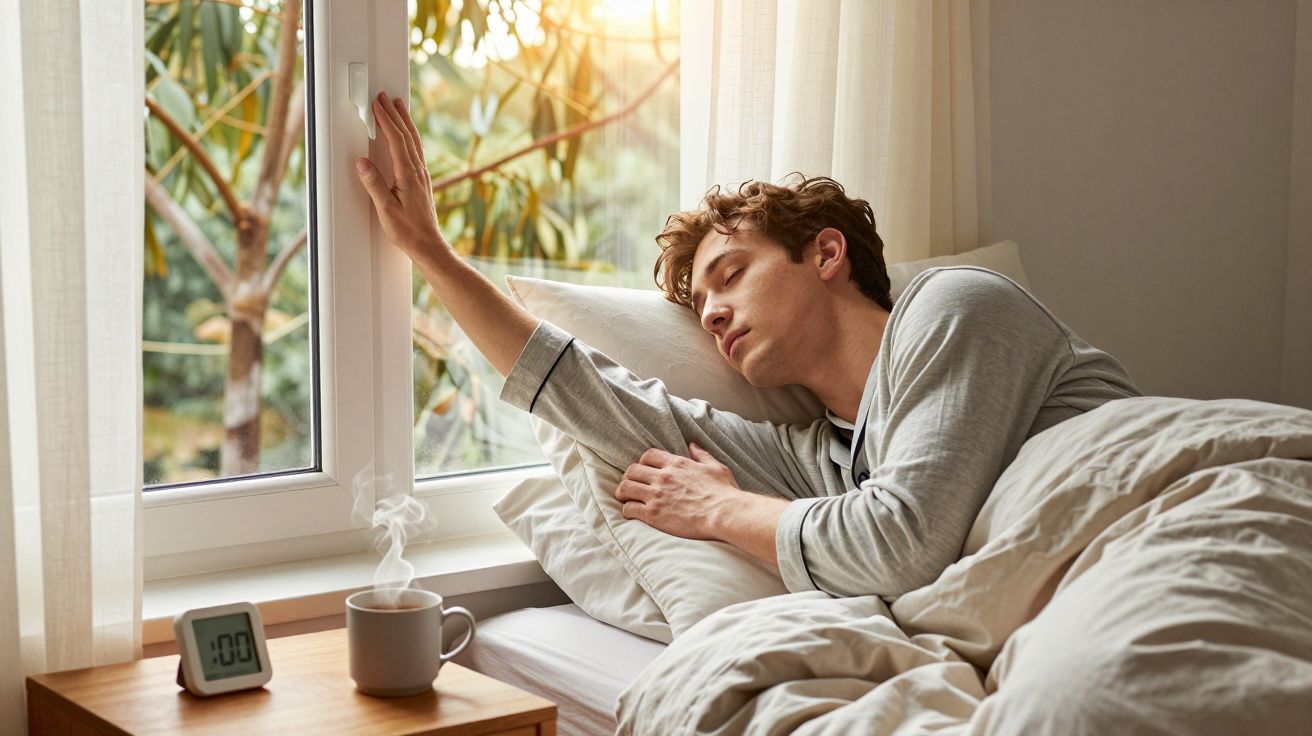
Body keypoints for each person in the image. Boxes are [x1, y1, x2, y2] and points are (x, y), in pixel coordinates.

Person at [354, 90, 1142, 599]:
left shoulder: (956, 308)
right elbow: (601, 402)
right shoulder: (821, 461)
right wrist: (430, 254)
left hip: (1167, 524)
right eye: (701, 307)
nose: (714, 316)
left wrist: (725, 508)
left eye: (731, 276)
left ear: (826, 255)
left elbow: (901, 546)